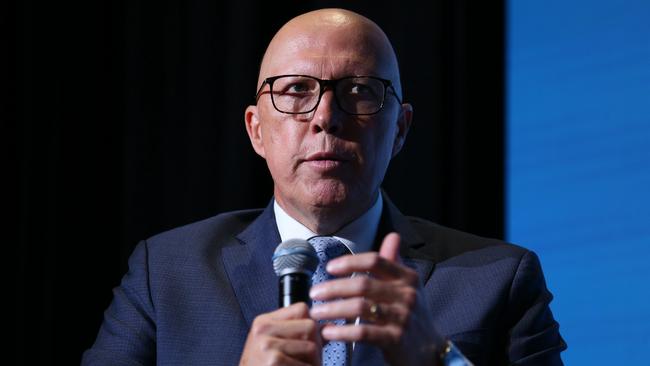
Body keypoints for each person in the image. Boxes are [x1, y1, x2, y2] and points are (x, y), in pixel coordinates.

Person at [82, 8, 566, 366]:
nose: (326, 118)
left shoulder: (500, 279)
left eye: (359, 91)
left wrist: (437, 358)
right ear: (256, 130)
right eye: (296, 90)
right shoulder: (166, 272)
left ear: (399, 129)